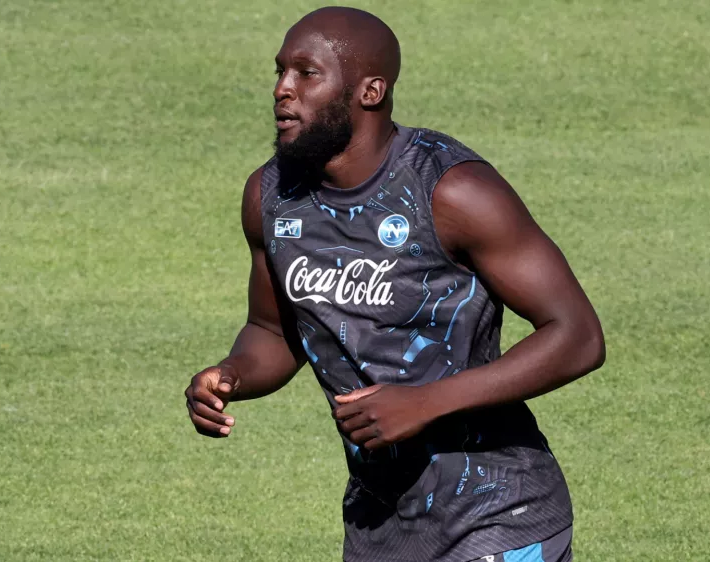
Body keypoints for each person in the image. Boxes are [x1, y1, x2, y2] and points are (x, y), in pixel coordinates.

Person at [184, 7, 605, 561]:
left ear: (370, 91)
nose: (282, 89)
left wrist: (425, 402)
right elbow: (273, 330)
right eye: (280, 71)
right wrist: (231, 375)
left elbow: (577, 335)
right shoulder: (270, 196)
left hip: (498, 514)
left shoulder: (454, 191)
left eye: (306, 73)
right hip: (379, 526)